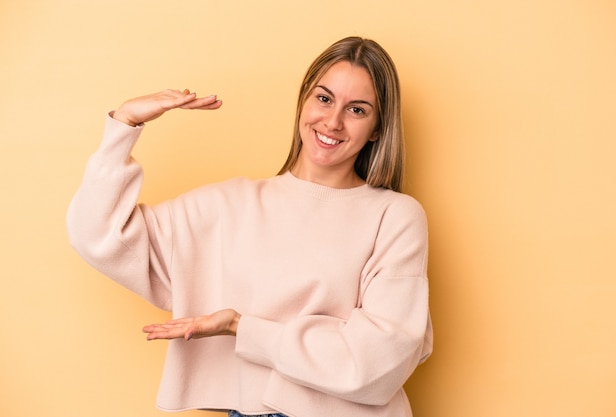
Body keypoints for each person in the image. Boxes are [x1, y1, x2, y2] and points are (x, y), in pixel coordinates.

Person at [67, 36, 433, 417]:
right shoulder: (228, 206)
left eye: (357, 110)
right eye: (324, 99)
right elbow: (97, 234)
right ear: (304, 101)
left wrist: (244, 328)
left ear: (377, 128)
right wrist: (125, 124)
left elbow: (376, 363)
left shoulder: (395, 216)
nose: (333, 121)